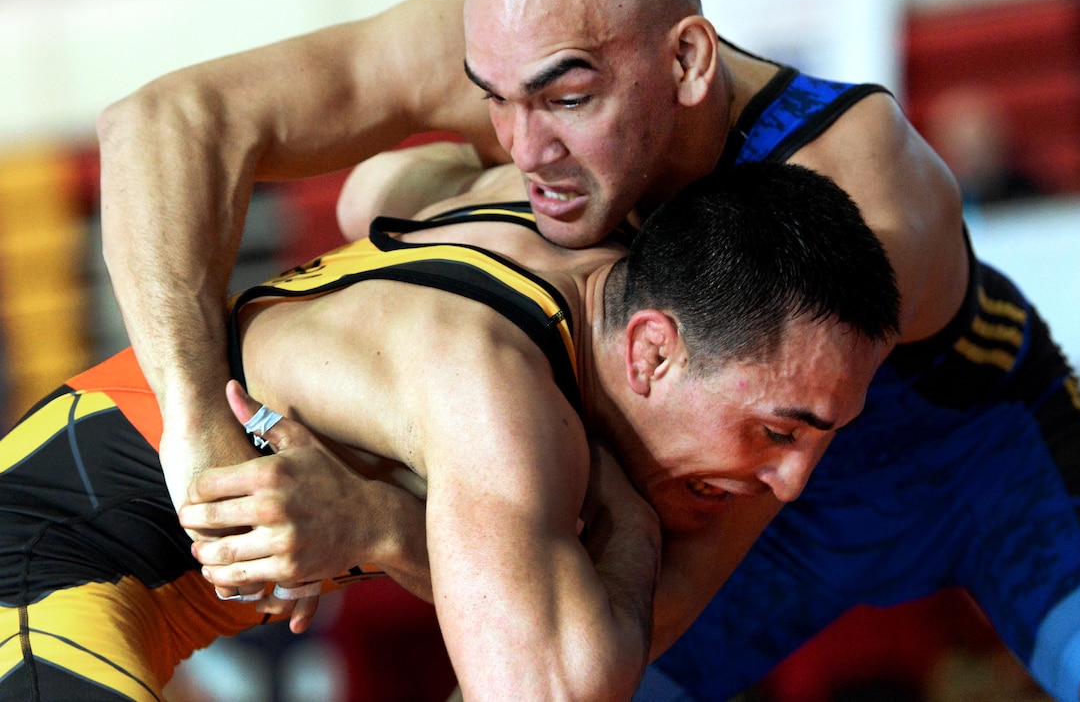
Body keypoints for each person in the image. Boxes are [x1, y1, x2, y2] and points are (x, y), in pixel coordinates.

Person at [95, 0, 1080, 700]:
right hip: (724, 507)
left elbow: (659, 591)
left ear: (686, 62)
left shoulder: (856, 202)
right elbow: (169, 117)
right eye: (492, 99)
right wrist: (193, 424)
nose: (524, 145)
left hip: (971, 463)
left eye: (567, 100)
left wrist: (380, 527)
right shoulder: (524, 47)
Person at [0, 161, 899, 701]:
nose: (790, 481)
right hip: (36, 584)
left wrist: (387, 523)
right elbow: (559, 687)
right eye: (780, 429)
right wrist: (623, 510)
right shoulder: (498, 396)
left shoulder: (530, 209)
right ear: (653, 350)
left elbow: (375, 189)